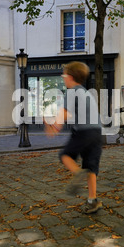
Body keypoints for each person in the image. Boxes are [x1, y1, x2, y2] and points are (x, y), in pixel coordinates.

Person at [44, 61, 103, 214]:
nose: (63, 78)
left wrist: (54, 127)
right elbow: (75, 113)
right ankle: (92, 200)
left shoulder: (71, 92)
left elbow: (63, 113)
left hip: (83, 132)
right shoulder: (86, 93)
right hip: (97, 132)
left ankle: (77, 173)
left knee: (65, 155)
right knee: (91, 168)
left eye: (64, 75)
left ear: (69, 77)